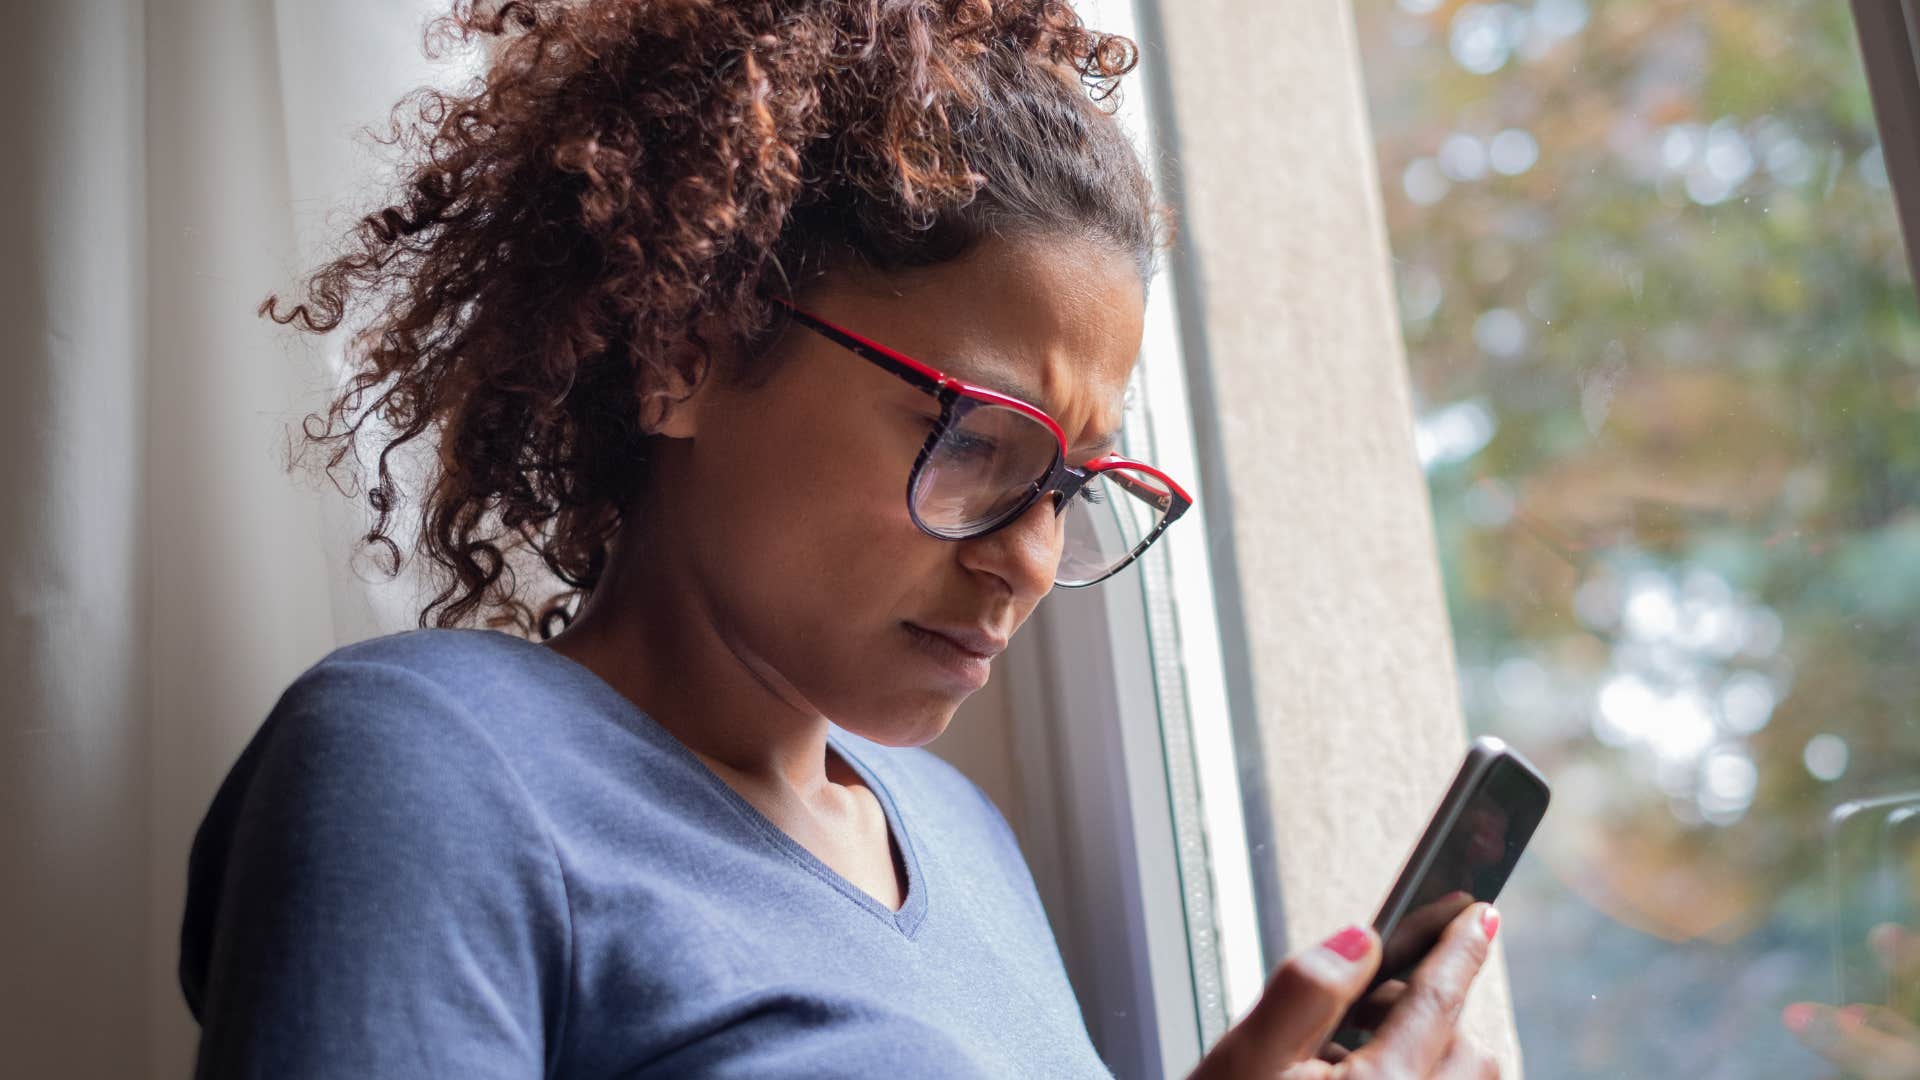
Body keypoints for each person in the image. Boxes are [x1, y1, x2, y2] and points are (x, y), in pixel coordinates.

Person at [178, 2, 1502, 1076]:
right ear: (686, 353)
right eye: (979, 441)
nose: (1029, 562)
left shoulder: (962, 845)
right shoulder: (433, 765)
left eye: (1075, 487)